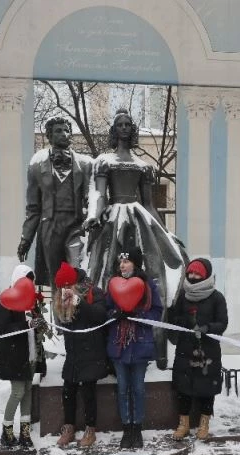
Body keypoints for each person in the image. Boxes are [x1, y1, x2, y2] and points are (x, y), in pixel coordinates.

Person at [83, 108, 186, 366]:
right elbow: (101, 196)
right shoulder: (104, 161)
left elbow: (149, 204)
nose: (124, 128)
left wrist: (163, 232)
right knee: (106, 269)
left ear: (132, 129)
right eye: (120, 124)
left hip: (139, 218)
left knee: (153, 269)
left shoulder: (143, 166)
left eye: (128, 124)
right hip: (114, 218)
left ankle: (155, 342)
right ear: (114, 129)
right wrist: (95, 216)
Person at [17, 117, 94, 287]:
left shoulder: (86, 164)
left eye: (66, 130)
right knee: (56, 278)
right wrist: (26, 239)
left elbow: (92, 199)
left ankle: (77, 304)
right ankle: (58, 305)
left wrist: (92, 221)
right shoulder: (37, 165)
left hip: (76, 226)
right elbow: (33, 208)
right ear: (50, 136)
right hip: (50, 227)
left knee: (76, 273)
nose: (64, 134)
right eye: (58, 131)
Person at [106, 247, 163, 449]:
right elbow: (106, 309)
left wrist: (139, 316)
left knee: (138, 389)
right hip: (119, 346)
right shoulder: (113, 284)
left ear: (135, 263)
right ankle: (126, 428)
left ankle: (137, 428)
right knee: (123, 389)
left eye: (126, 261)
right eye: (120, 261)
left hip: (140, 344)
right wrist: (115, 314)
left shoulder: (147, 285)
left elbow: (157, 311)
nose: (122, 265)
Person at [0, 265, 48, 450]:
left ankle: (25, 433)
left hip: (30, 354)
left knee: (27, 391)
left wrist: (40, 324)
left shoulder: (31, 302)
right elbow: (5, 329)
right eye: (25, 279)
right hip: (13, 356)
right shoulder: (5, 300)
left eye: (31, 280)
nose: (29, 283)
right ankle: (7, 431)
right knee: (18, 392)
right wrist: (27, 324)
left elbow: (34, 326)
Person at [168, 258, 228, 440]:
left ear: (206, 276)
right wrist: (184, 321)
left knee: (207, 388)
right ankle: (183, 424)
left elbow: (222, 323)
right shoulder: (183, 295)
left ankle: (204, 423)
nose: (193, 276)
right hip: (185, 349)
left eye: (197, 274)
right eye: (190, 273)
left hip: (207, 351)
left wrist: (207, 328)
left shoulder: (217, 297)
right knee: (183, 388)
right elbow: (174, 319)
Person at [52, 262, 108, 448]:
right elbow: (64, 324)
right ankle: (68, 428)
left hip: (91, 352)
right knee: (68, 391)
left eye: (67, 286)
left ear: (73, 283)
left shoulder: (93, 292)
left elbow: (100, 315)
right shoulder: (62, 295)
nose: (64, 290)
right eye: (61, 288)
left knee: (88, 392)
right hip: (74, 353)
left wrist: (79, 302)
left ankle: (90, 430)